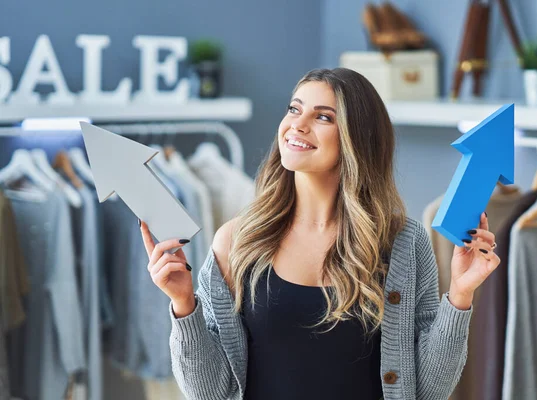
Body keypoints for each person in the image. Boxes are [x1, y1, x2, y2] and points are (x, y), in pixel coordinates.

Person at [140, 68, 500, 400]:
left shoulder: (404, 242)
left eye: (323, 117)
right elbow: (210, 394)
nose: (298, 125)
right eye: (294, 109)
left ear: (357, 139)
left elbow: (427, 390)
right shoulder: (237, 241)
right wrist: (184, 304)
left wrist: (459, 295)